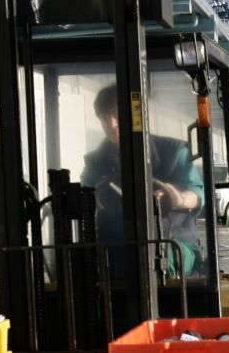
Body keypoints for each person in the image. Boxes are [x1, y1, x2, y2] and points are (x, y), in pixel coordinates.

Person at [81, 85, 204, 276]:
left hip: (173, 240)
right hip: (115, 243)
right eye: (105, 118)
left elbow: (197, 193)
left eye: (117, 115)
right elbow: (85, 196)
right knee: (82, 264)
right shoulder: (96, 161)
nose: (112, 124)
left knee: (155, 258)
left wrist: (178, 198)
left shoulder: (173, 152)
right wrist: (92, 200)